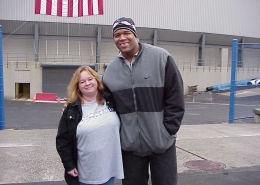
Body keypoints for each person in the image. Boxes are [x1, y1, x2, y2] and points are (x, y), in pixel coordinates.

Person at [102, 17, 185, 185]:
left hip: (162, 143)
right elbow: (104, 105)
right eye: (117, 35)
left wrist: (168, 130)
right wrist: (74, 106)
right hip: (130, 147)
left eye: (126, 33)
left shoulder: (161, 58)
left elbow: (175, 96)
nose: (122, 38)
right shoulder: (111, 70)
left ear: (135, 34)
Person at [56, 66, 124, 185]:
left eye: (90, 79)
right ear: (77, 86)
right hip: (86, 173)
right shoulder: (72, 109)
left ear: (96, 80)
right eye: (82, 82)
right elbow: (63, 140)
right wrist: (69, 165)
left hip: (109, 170)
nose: (87, 83)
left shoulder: (111, 100)